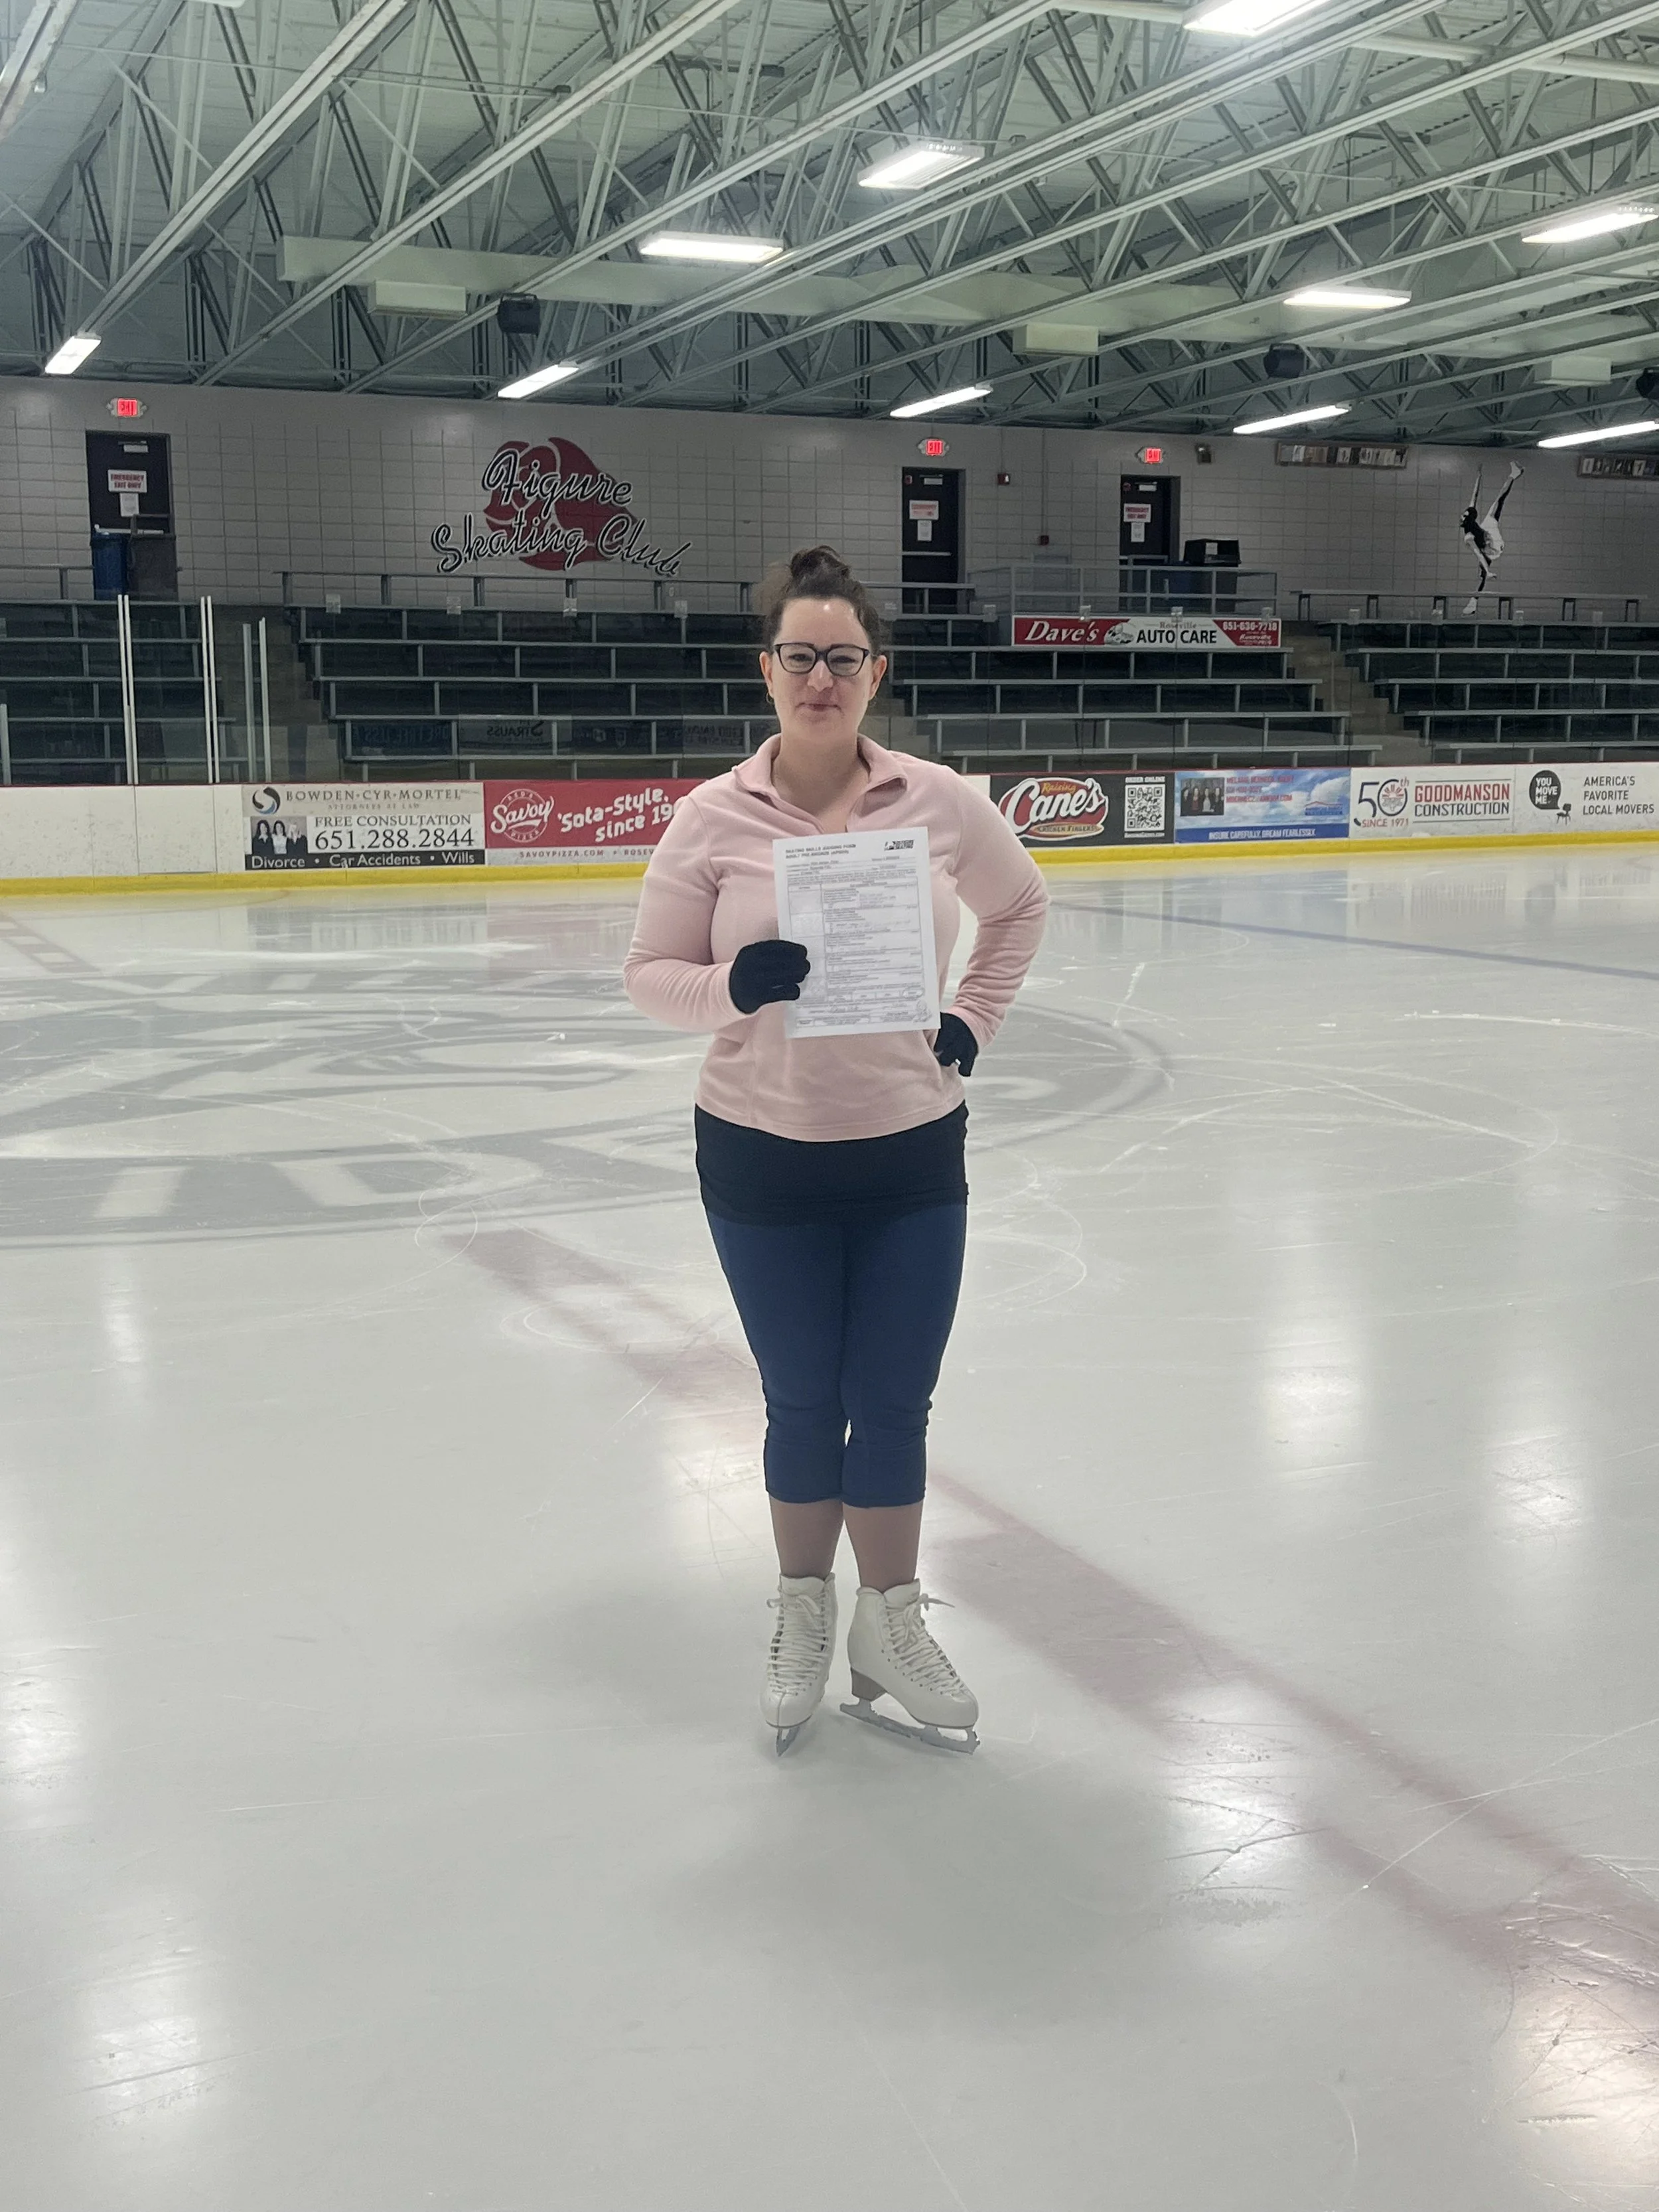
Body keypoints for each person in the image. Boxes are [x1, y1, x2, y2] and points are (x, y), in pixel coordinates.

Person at [622, 546, 1048, 1755]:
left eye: (844, 658)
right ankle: (803, 1612)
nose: (822, 676)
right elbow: (649, 977)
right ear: (768, 670)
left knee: (894, 1404)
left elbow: (1018, 907)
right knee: (803, 1401)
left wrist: (975, 1018)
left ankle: (891, 1619)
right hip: (762, 1158)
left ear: (876, 673)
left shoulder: (937, 799)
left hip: (911, 1154)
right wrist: (730, 987)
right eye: (801, 655)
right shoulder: (711, 817)